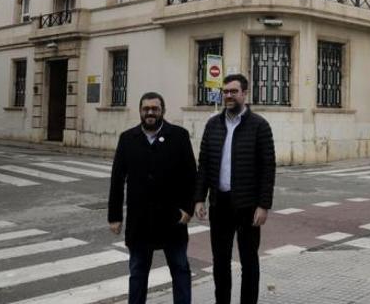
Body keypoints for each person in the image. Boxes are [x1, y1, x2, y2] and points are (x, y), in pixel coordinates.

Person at [108, 92, 196, 304]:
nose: (150, 112)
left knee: (180, 270)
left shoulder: (179, 136)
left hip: (172, 218)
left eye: (155, 109)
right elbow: (117, 179)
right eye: (146, 108)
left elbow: (191, 176)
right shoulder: (127, 138)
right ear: (140, 111)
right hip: (139, 221)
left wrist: (188, 209)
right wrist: (115, 216)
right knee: (138, 273)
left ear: (162, 111)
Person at [194, 74, 276, 304]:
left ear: (244, 94)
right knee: (220, 262)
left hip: (248, 206)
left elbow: (267, 168)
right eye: (226, 91)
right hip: (220, 204)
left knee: (249, 261)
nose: (228, 95)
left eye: (233, 91)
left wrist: (263, 205)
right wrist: (199, 198)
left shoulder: (259, 125)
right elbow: (204, 163)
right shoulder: (213, 125)